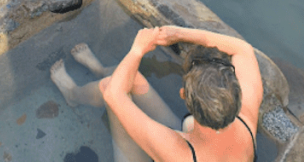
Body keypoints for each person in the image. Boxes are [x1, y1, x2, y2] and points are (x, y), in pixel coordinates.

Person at [50, 25, 263, 162]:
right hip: (197, 143)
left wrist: (138, 49)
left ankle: (73, 94)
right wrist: (181, 33)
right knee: (129, 78)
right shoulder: (246, 114)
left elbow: (114, 96)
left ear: (183, 96)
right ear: (236, 92)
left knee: (110, 87)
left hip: (186, 152)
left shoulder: (178, 153)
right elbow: (244, 49)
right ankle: (101, 70)